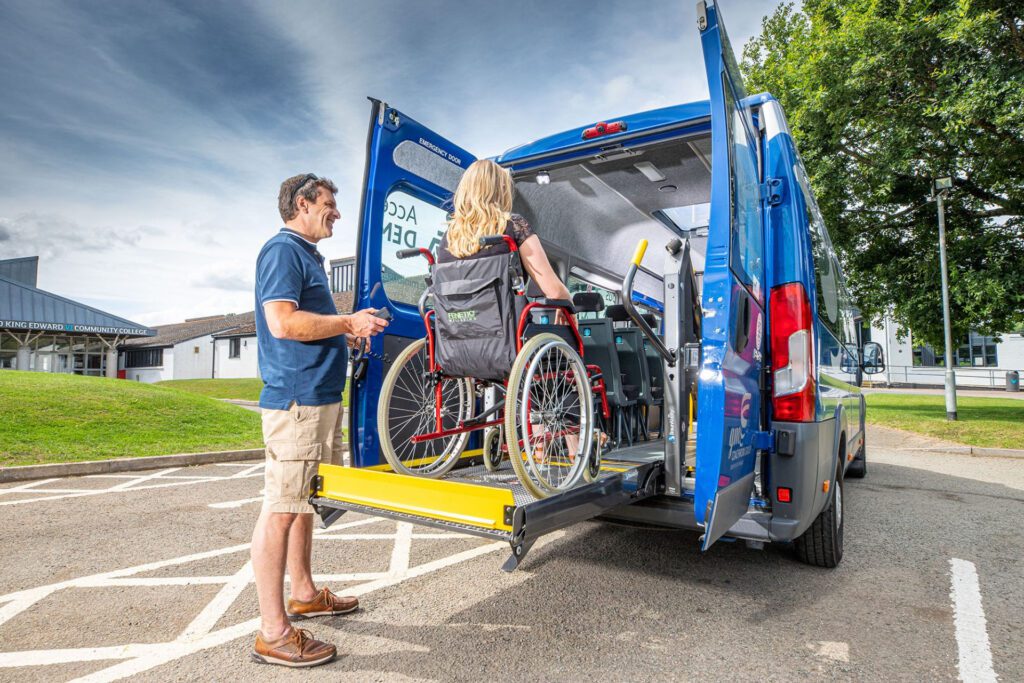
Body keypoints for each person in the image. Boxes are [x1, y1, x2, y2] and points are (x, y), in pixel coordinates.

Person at [250, 173, 388, 668]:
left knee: (304, 501)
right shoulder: (283, 251)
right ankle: (272, 632)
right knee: (281, 508)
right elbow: (282, 322)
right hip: (297, 400)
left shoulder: (308, 257)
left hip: (320, 397)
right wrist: (349, 322)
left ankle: (304, 592)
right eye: (329, 204)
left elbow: (309, 325)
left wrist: (345, 335)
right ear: (303, 204)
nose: (336, 213)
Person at [438, 159, 570, 306]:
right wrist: (570, 310)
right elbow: (555, 292)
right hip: (504, 327)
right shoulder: (514, 226)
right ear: (501, 189)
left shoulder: (448, 238)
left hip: (452, 328)